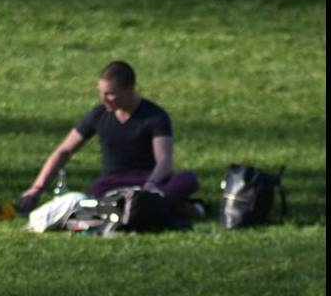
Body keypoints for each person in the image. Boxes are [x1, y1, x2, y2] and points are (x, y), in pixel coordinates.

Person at [17, 60, 201, 220]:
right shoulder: (98, 115)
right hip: (113, 183)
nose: (104, 99)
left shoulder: (155, 117)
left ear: (129, 89)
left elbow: (164, 161)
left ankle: (146, 206)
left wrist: (151, 185)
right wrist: (37, 188)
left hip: (148, 181)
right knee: (95, 192)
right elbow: (64, 151)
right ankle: (170, 209)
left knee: (187, 179)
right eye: (101, 93)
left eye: (110, 93)